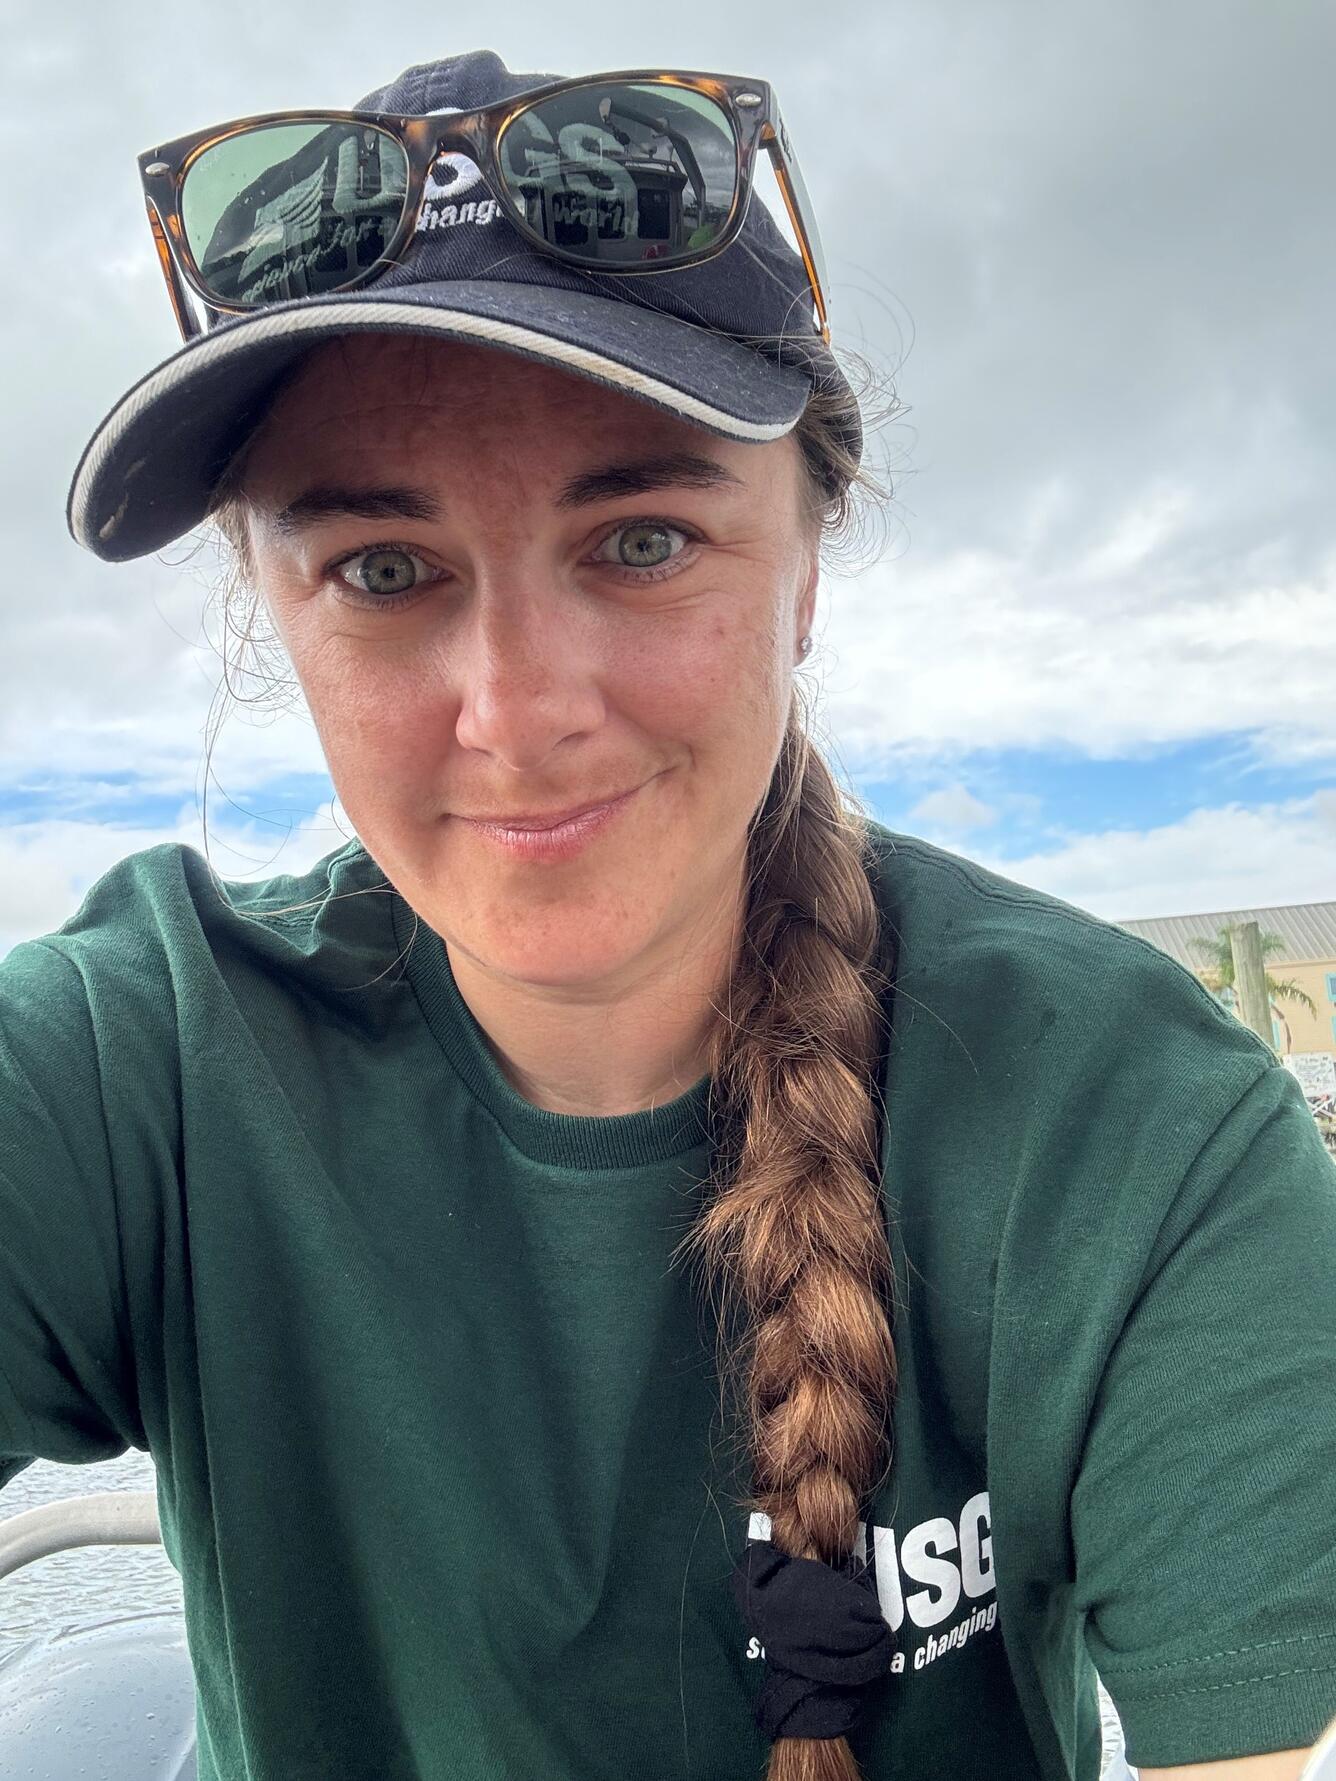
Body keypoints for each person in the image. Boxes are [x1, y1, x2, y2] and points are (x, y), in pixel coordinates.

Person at [5, 46, 1334, 1781]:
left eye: (638, 538)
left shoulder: (1140, 1133)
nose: (514, 704)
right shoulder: (135, 1065)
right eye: (385, 570)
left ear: (805, 570)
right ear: (273, 614)